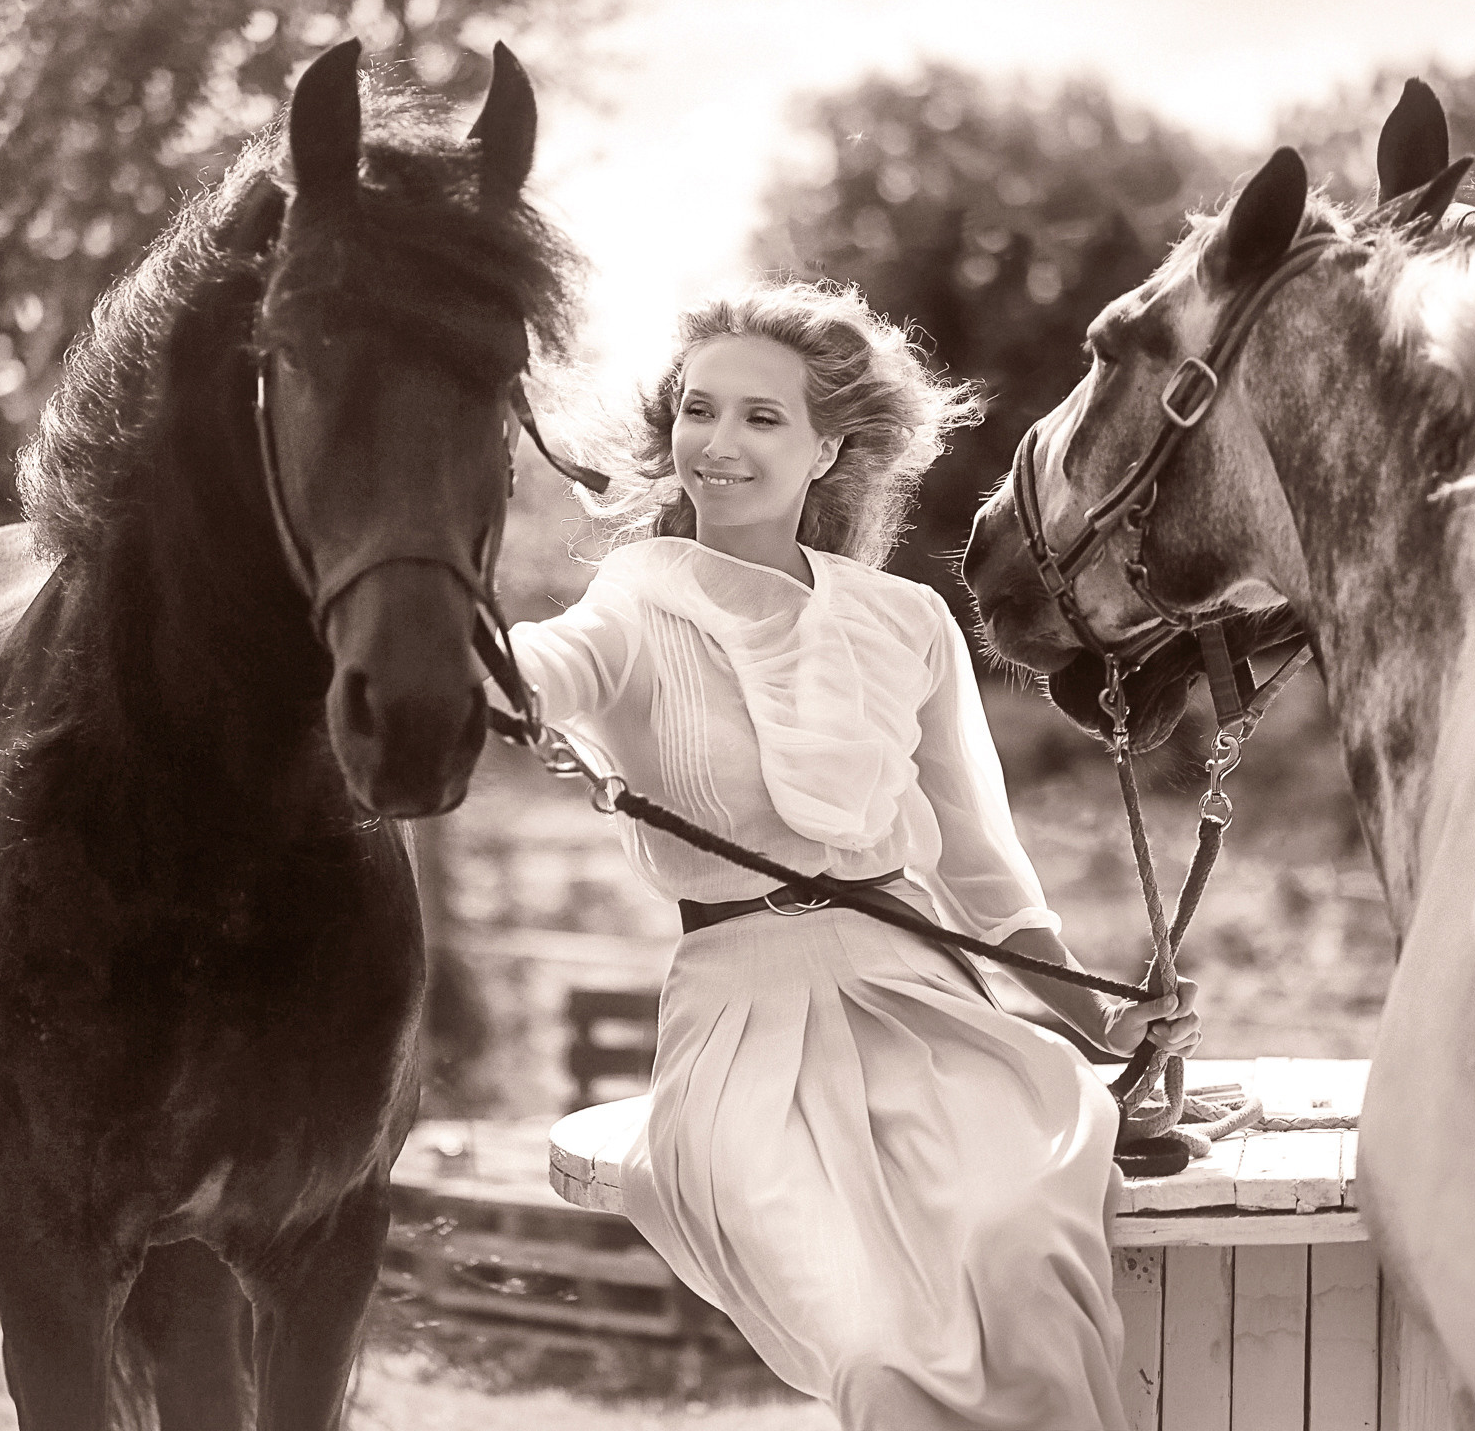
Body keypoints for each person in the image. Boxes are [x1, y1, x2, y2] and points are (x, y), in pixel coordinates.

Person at [506, 282, 1201, 1431]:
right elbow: (541, 665)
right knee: (881, 1356)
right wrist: (444, 654)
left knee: (1026, 1252)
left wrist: (1104, 1020)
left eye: (762, 418)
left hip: (928, 1015)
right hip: (740, 1044)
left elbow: (983, 876)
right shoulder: (631, 603)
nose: (717, 443)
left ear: (831, 445)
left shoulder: (906, 621)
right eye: (698, 409)